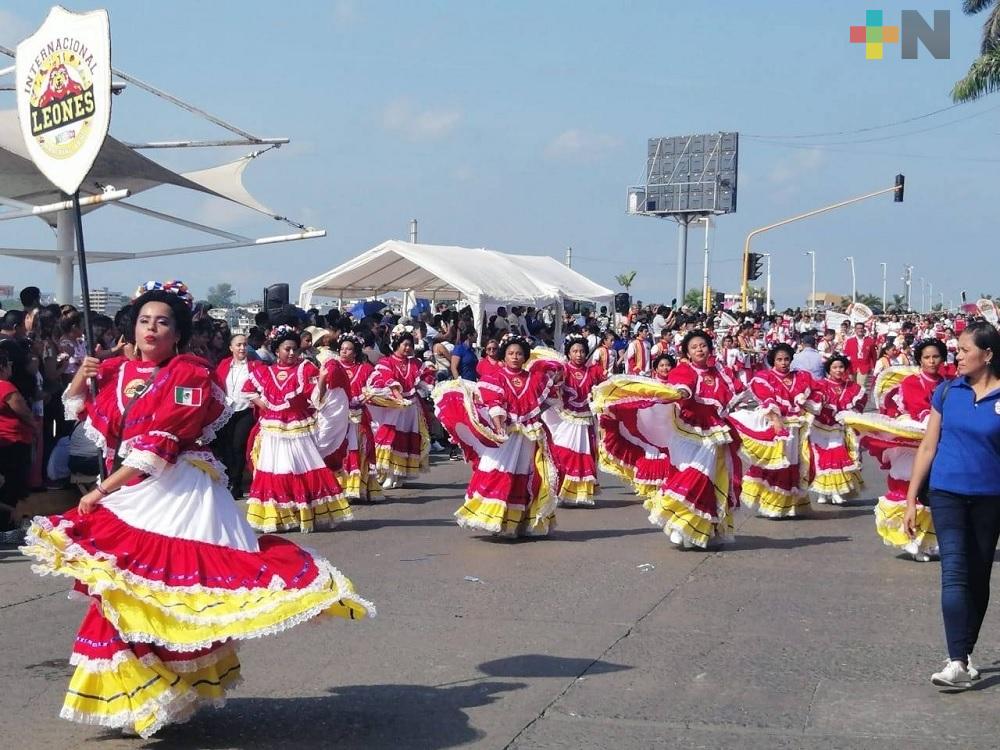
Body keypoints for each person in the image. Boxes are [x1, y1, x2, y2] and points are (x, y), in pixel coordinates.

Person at [19, 281, 373, 737]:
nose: (152, 328)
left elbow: (160, 444)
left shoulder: (191, 373)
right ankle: (147, 692)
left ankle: (152, 691)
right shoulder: (116, 370)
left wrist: (102, 490)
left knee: (160, 591)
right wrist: (81, 378)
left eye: (163, 321)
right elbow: (87, 422)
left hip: (178, 490)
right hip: (131, 486)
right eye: (145, 320)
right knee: (119, 592)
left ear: (178, 332)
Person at [903, 322, 1000, 689]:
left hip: (991, 497)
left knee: (978, 576)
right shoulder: (946, 392)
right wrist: (911, 498)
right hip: (946, 492)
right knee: (955, 571)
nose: (955, 356)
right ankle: (956, 660)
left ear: (987, 354)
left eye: (963, 350)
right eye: (956, 349)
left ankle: (966, 652)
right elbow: (928, 446)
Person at [623, 332, 743, 548]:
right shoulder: (684, 370)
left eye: (703, 345)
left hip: (713, 433)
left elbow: (736, 391)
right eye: (695, 346)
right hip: (686, 431)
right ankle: (679, 522)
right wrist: (681, 392)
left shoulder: (720, 372)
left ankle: (700, 529)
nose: (700, 349)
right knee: (688, 474)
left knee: (708, 480)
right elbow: (683, 386)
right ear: (687, 352)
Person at [436, 333, 562, 537]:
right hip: (506, 434)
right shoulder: (496, 377)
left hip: (528, 436)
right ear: (504, 355)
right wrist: (499, 426)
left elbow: (543, 401)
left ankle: (515, 524)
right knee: (496, 470)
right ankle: (491, 517)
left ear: (525, 356)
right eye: (511, 353)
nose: (515, 357)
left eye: (519, 353)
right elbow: (495, 404)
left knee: (526, 475)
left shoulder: (533, 379)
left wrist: (548, 395)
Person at [842, 339, 947, 562]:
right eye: (927, 357)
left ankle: (930, 541)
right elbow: (918, 409)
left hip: (938, 441)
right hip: (913, 440)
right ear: (919, 359)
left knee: (934, 492)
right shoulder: (911, 383)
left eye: (935, 357)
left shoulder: (949, 383)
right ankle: (911, 540)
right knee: (910, 488)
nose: (931, 361)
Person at [242, 325, 352, 532]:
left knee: (301, 467)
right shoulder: (267, 371)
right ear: (276, 351)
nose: (292, 353)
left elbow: (316, 399)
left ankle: (303, 514)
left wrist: (321, 379)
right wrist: (262, 404)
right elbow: (248, 389)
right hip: (273, 428)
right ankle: (278, 517)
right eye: (287, 349)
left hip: (297, 427)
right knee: (276, 468)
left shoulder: (305, 368)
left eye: (294, 349)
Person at [730, 343, 820, 518]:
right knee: (777, 463)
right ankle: (773, 505)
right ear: (773, 361)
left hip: (797, 427)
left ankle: (792, 505)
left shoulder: (801, 376)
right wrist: (777, 421)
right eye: (779, 359)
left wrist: (805, 399)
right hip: (776, 426)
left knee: (796, 463)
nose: (784, 363)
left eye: (786, 359)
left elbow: (817, 393)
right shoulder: (764, 377)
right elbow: (768, 400)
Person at [540, 333, 606, 506]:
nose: (579, 354)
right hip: (566, 419)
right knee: (564, 454)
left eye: (582, 351)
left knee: (586, 456)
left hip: (585, 421)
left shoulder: (593, 372)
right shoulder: (563, 370)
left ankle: (580, 494)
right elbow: (550, 389)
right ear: (569, 353)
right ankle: (561, 491)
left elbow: (602, 391)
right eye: (575, 351)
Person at [366, 325, 436, 489]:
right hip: (394, 407)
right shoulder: (386, 362)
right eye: (404, 344)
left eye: (410, 345)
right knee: (391, 438)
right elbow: (385, 379)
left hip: (411, 408)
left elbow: (425, 381)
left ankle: (399, 474)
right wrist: (398, 398)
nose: (408, 348)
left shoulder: (416, 363)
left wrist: (431, 373)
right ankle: (389, 472)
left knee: (407, 440)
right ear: (396, 344)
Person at [808, 355, 866, 505]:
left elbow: (860, 404)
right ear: (829, 370)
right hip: (819, 427)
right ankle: (822, 492)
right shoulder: (820, 385)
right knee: (820, 459)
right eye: (834, 367)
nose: (838, 370)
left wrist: (852, 414)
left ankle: (835, 491)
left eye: (841, 367)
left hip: (838, 428)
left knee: (836, 456)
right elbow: (812, 403)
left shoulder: (852, 387)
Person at [334, 333, 381, 501]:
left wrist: (364, 397)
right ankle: (339, 487)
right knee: (341, 450)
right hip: (338, 417)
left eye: (349, 349)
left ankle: (358, 487)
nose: (345, 352)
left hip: (359, 417)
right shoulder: (332, 367)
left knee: (359, 449)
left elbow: (375, 387)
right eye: (342, 349)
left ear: (355, 352)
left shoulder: (365, 369)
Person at [0, 350, 37, 542]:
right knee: (13, 484)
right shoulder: (5, 386)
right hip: (13, 441)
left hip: (7, 441)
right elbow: (23, 411)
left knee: (8, 484)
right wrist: (35, 428)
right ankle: (6, 527)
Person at [214, 334, 258, 496]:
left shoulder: (255, 366)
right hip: (227, 411)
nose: (242, 348)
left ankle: (236, 482)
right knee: (227, 447)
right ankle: (228, 478)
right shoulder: (224, 364)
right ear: (231, 348)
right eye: (238, 345)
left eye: (245, 345)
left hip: (245, 410)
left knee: (238, 445)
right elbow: (216, 385)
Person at [843, 322, 876, 389]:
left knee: (861, 387)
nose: (860, 330)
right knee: (852, 386)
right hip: (852, 367)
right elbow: (846, 354)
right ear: (855, 330)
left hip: (864, 366)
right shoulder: (849, 341)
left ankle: (860, 399)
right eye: (858, 328)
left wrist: (874, 367)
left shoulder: (870, 341)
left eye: (861, 328)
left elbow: (874, 355)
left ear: (864, 329)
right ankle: (852, 399)